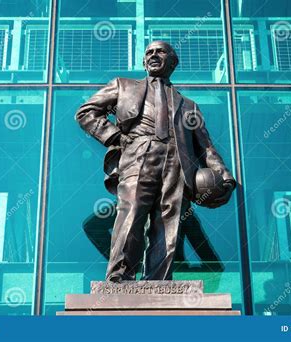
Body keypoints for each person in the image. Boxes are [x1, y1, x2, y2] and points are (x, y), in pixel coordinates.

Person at [75, 41, 236, 282]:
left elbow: (206, 148)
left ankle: (158, 281)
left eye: (160, 51)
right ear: (144, 61)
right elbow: (86, 112)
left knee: (168, 221)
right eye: (149, 52)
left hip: (177, 162)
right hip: (139, 153)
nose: (153, 55)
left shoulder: (189, 106)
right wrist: (115, 137)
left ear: (173, 62)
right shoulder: (123, 86)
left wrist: (225, 177)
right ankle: (120, 276)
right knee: (131, 211)